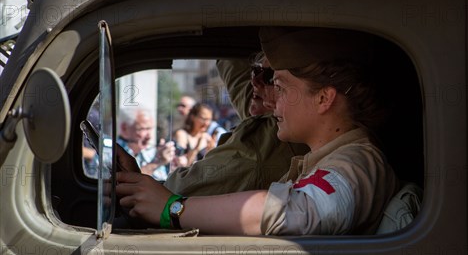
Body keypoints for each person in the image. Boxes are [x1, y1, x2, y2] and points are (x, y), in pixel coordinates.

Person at [115, 27, 401, 235]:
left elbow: (298, 212)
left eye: (280, 87)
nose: (271, 98)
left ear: (324, 98)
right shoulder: (334, 155)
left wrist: (174, 208)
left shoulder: (357, 162)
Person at [164, 53, 309, 196]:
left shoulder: (262, 140)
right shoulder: (264, 110)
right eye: (256, 70)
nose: (255, 81)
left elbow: (179, 188)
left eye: (271, 77)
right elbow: (237, 78)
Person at [117, 106, 176, 181]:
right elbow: (128, 182)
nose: (149, 136)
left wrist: (174, 166)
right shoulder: (110, 152)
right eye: (143, 129)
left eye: (150, 128)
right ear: (124, 128)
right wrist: (156, 163)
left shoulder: (151, 152)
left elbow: (162, 182)